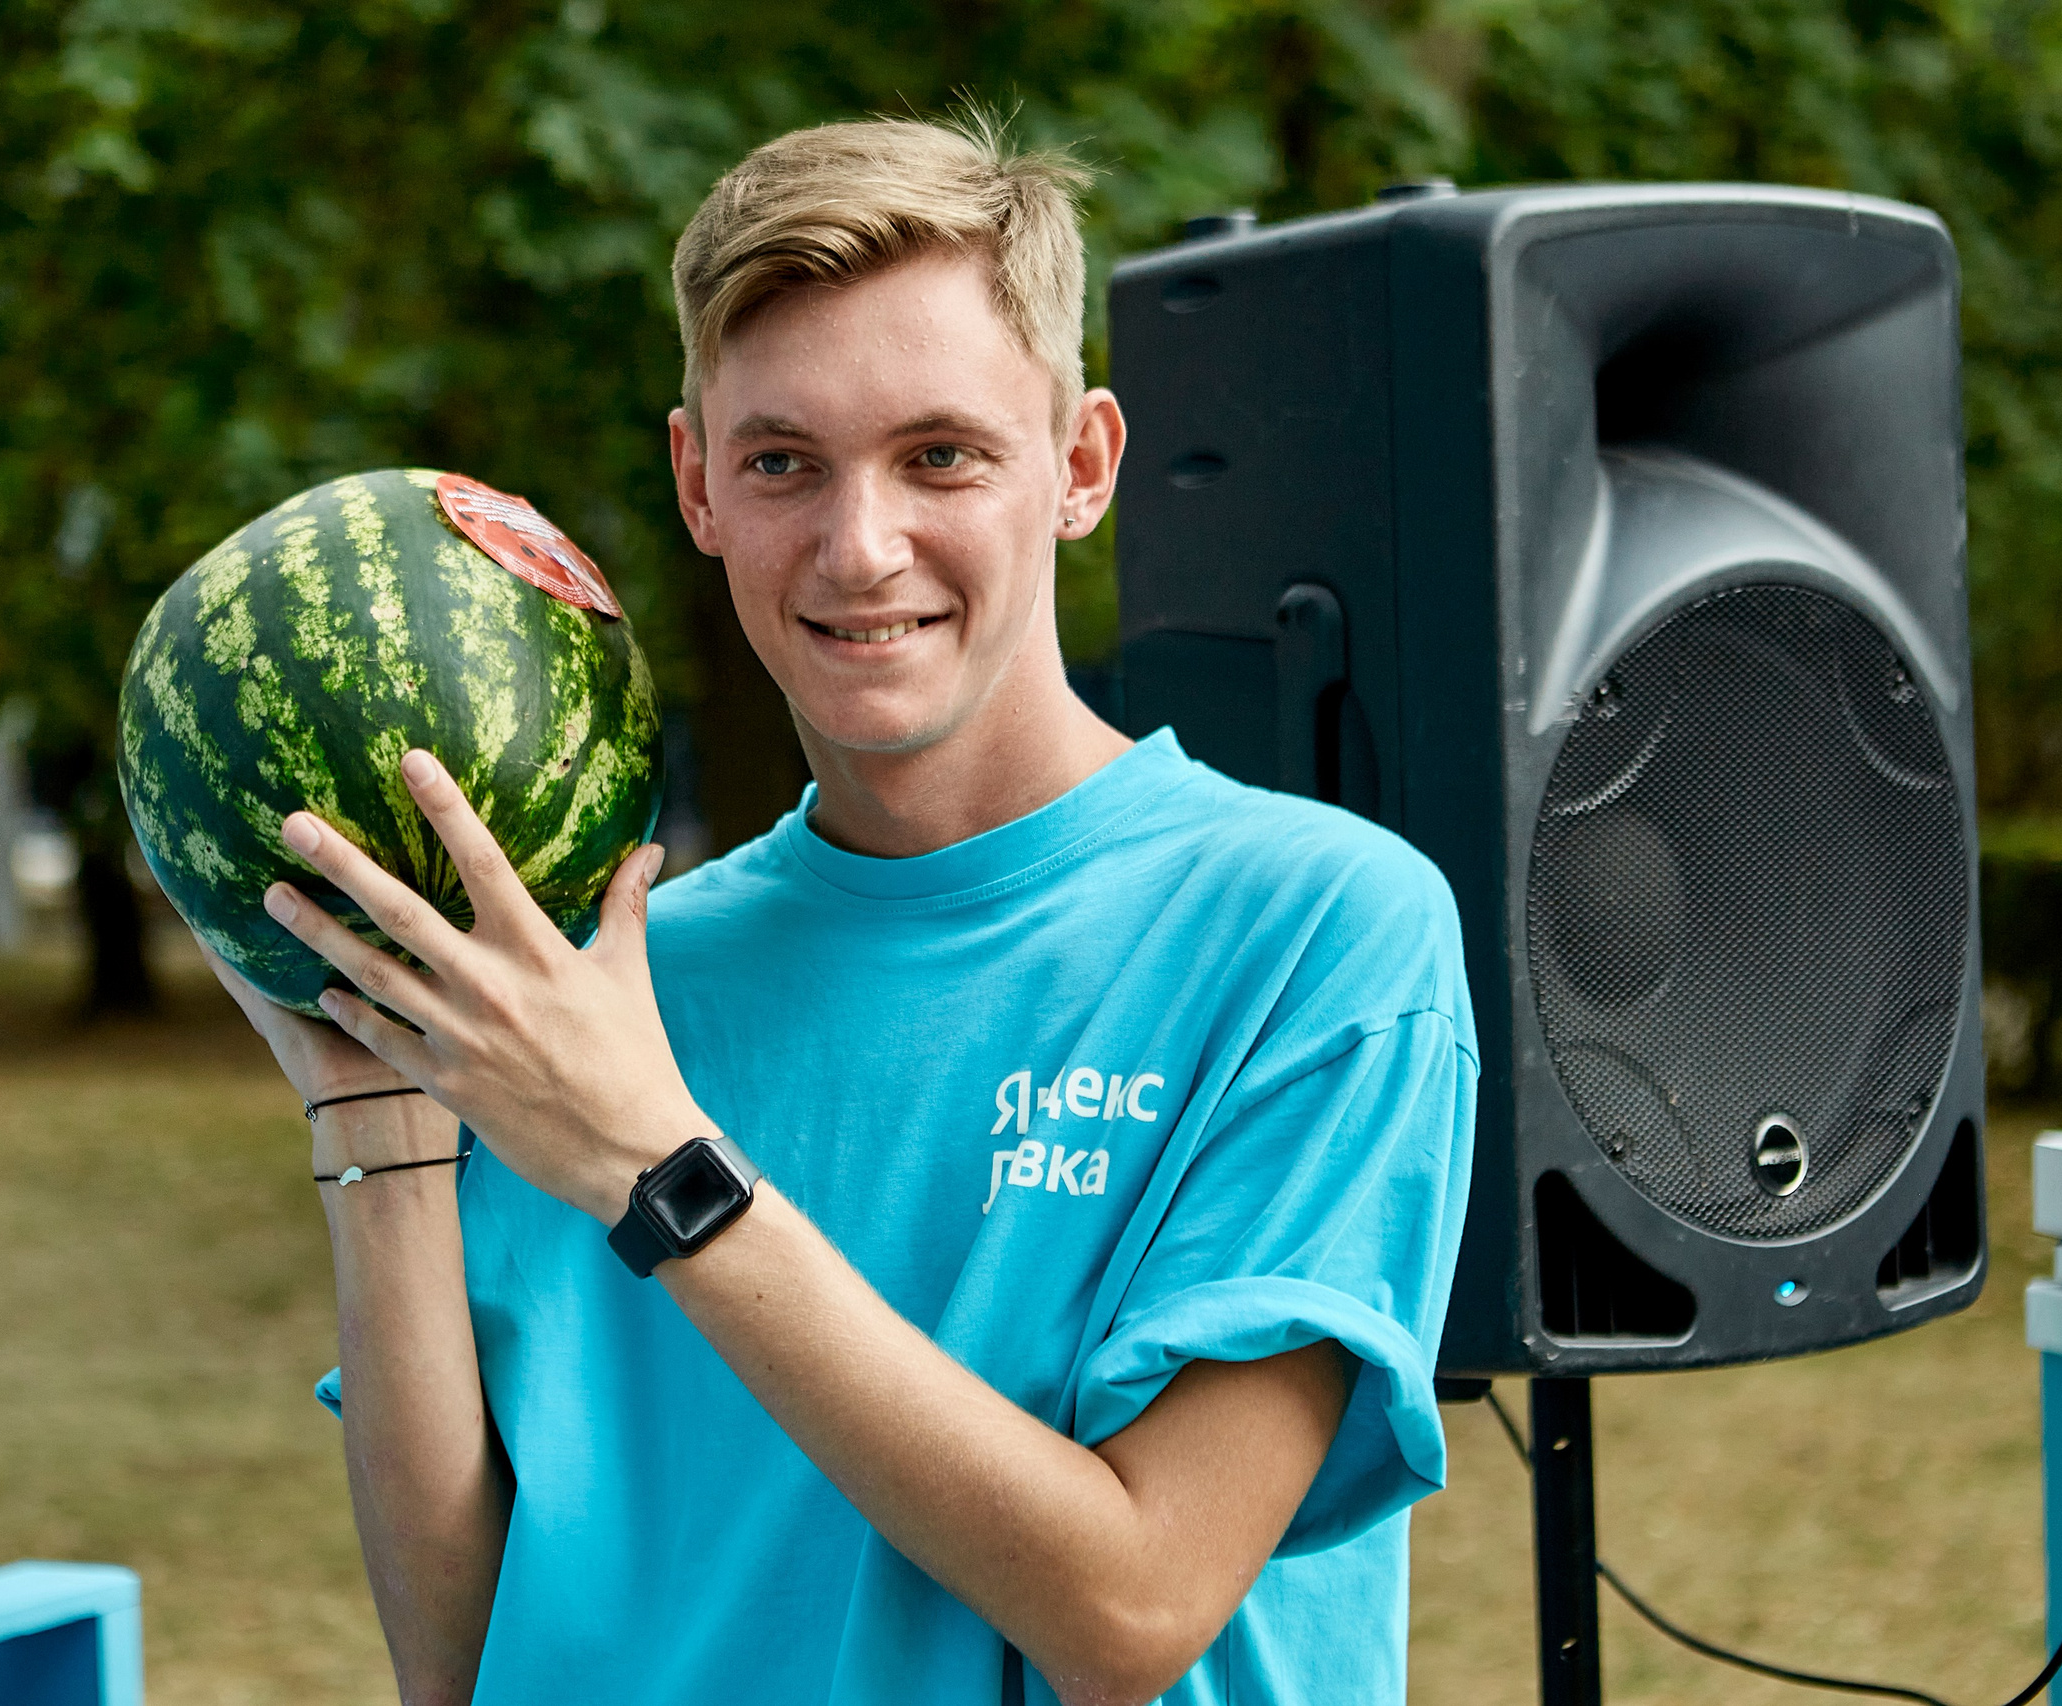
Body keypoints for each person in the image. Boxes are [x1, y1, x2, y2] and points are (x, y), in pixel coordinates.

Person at [207, 112, 1476, 1706]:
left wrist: (654, 1162)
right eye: (783, 462)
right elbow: (467, 1660)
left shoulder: (1315, 933)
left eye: (940, 455)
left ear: (1081, 466)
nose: (859, 546)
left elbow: (1133, 1607)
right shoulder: (584, 994)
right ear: (697, 484)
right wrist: (383, 1129)